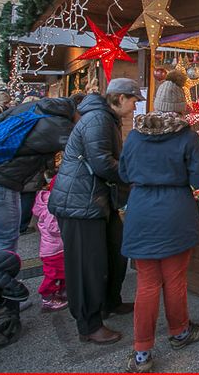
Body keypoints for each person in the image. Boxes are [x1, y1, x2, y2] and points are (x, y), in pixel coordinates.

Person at [118, 70, 199, 372]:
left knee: (146, 284)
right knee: (174, 280)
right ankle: (180, 332)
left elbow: (122, 174)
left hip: (141, 212)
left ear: (156, 107)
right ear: (182, 107)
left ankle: (142, 353)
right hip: (175, 213)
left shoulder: (134, 136)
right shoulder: (187, 136)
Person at [49, 79, 143, 345]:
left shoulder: (106, 118)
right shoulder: (98, 120)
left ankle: (109, 301)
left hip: (99, 200)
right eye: (134, 100)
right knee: (87, 265)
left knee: (115, 250)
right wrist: (136, 174)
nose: (136, 106)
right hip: (80, 203)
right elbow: (103, 164)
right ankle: (88, 324)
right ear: (120, 98)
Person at [0, 96, 77, 254]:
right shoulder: (62, 127)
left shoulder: (30, 106)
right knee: (5, 237)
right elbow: (81, 152)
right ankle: (0, 275)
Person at [32, 165, 67, 312]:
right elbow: (54, 229)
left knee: (65, 271)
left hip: (58, 248)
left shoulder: (49, 202)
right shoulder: (52, 207)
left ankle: (62, 292)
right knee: (53, 275)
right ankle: (47, 298)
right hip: (53, 251)